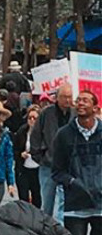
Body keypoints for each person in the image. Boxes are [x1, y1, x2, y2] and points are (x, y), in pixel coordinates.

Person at [51, 88, 102, 235]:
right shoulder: (64, 134)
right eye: (78, 101)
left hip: (101, 204)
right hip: (75, 204)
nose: (80, 104)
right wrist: (72, 182)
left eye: (85, 101)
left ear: (96, 108)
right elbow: (57, 171)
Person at [29, 83, 73, 221]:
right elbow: (35, 136)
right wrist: (39, 157)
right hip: (48, 165)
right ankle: (45, 231)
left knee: (64, 203)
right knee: (47, 203)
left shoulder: (76, 113)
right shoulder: (46, 114)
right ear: (57, 98)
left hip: (69, 167)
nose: (67, 100)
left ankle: (61, 233)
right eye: (64, 97)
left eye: (70, 97)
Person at [13, 105, 42, 208]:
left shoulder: (43, 133)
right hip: (23, 168)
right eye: (30, 118)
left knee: (37, 197)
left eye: (35, 118)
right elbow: (14, 150)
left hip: (38, 169)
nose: (32, 120)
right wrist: (21, 154)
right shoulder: (22, 131)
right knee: (23, 198)